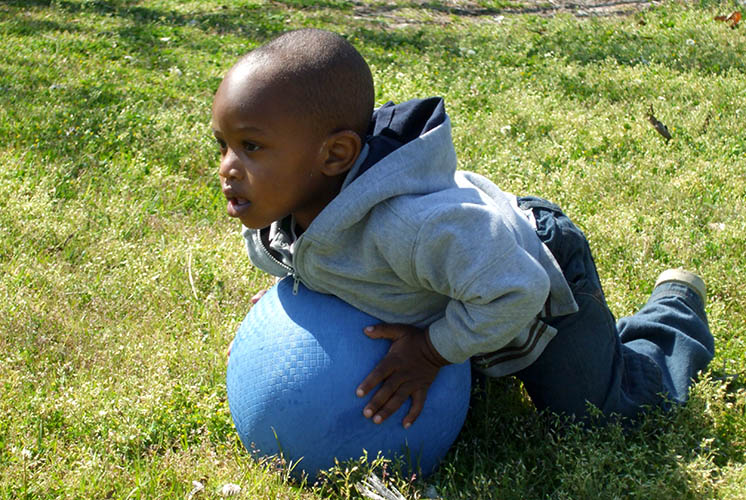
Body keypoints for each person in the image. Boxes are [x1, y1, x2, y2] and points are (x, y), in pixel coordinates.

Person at [212, 28, 714, 429]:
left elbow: (517, 291)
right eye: (224, 145)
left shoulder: (409, 227)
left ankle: (671, 313)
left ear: (335, 155)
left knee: (599, 415)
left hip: (527, 272)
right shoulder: (276, 218)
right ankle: (592, 341)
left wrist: (430, 351)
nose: (228, 168)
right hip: (458, 284)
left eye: (251, 147)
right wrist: (290, 303)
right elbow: (319, 259)